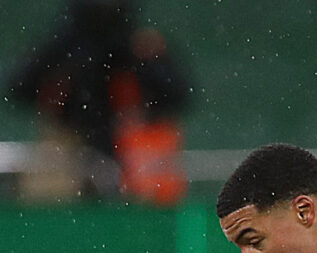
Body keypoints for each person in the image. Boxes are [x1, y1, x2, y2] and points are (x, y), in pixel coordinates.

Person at [6, 0, 190, 202]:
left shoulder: (139, 44)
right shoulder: (64, 45)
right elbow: (20, 87)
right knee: (51, 191)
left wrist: (147, 67)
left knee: (148, 190)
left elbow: (178, 95)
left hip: (131, 141)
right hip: (71, 140)